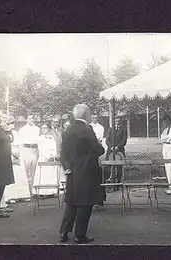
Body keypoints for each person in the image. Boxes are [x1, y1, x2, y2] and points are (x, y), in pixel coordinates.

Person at [59, 104, 105, 244]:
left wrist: (67, 166)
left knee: (72, 202)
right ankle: (80, 235)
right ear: (86, 114)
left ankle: (64, 232)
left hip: (72, 171)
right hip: (86, 171)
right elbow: (99, 150)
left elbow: (63, 152)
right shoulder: (87, 130)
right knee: (85, 203)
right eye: (90, 113)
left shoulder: (68, 130)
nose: (91, 116)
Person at [4, 118, 31, 204]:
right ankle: (12, 196)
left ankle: (22, 195)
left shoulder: (16, 133)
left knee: (20, 175)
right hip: (9, 153)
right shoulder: (4, 134)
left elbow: (20, 144)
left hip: (18, 153)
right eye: (10, 123)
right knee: (13, 175)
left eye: (12, 123)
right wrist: (12, 153)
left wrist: (18, 153)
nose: (12, 125)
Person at [33, 124, 59, 196]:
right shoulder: (39, 138)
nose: (44, 129)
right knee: (43, 175)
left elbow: (54, 148)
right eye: (43, 128)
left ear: (48, 129)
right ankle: (42, 192)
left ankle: (51, 191)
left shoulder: (52, 138)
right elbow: (41, 149)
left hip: (51, 158)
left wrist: (53, 155)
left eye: (46, 128)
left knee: (51, 174)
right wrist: (47, 157)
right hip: (43, 158)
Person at [18, 114, 40, 195]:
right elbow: (20, 142)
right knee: (27, 171)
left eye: (32, 118)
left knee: (35, 170)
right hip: (26, 149)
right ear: (26, 119)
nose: (31, 120)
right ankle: (27, 192)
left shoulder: (37, 129)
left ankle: (33, 191)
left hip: (35, 149)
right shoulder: (22, 129)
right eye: (29, 118)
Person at [160, 115, 171, 193]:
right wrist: (167, 139)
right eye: (164, 121)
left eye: (166, 121)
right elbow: (162, 139)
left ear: (169, 120)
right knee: (168, 168)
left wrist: (167, 139)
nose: (165, 123)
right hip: (166, 150)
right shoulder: (165, 130)